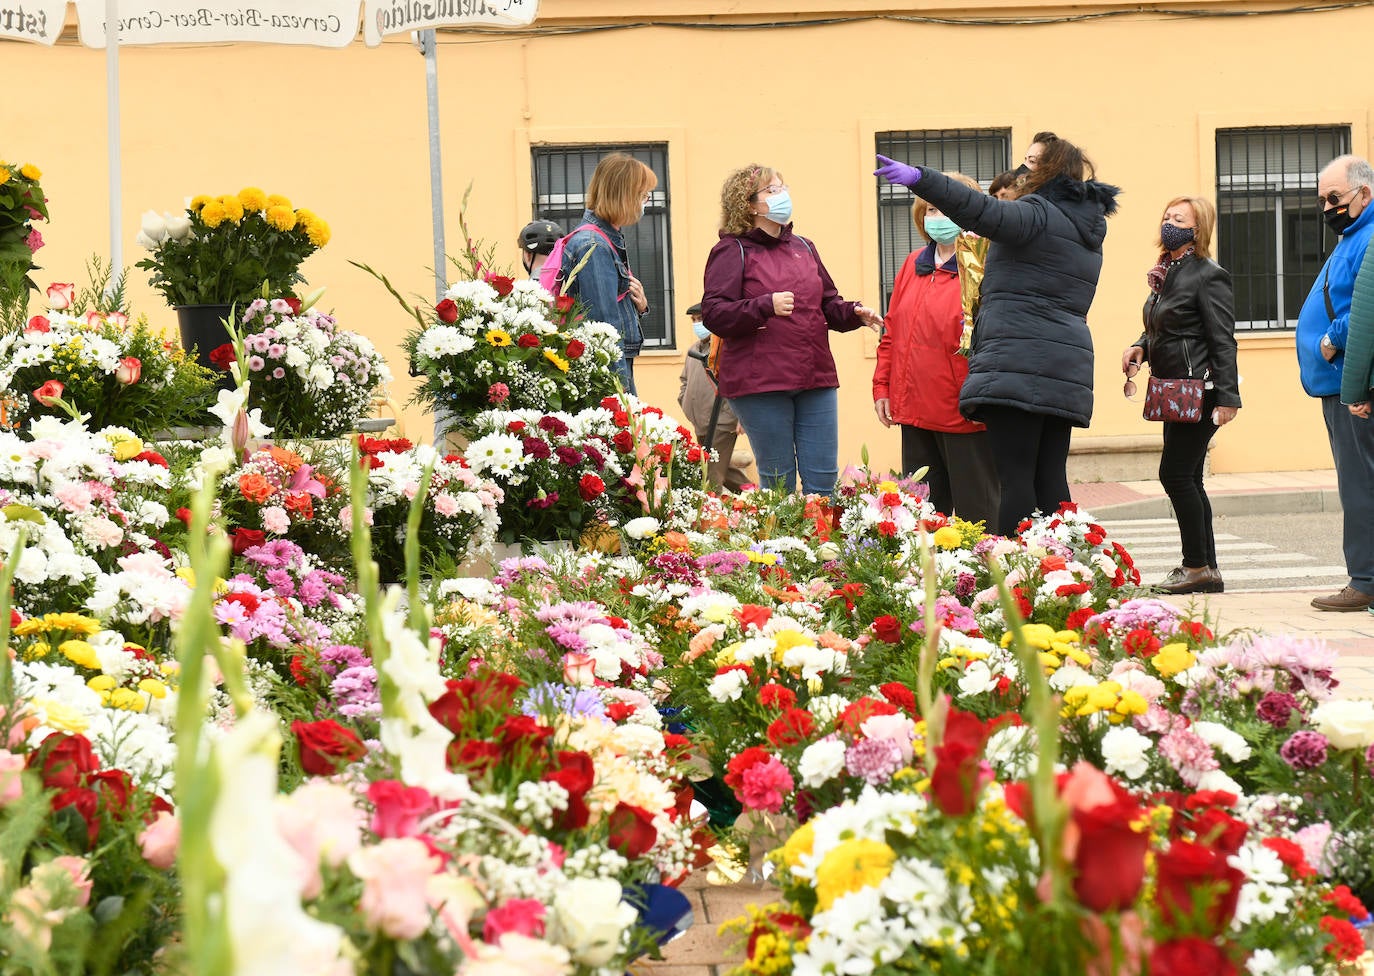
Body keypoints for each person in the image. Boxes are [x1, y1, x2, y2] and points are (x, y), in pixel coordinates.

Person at [875, 136, 1120, 536]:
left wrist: (922, 179)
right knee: (1050, 481)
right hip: (1063, 367)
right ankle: (1062, 569)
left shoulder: (1037, 213)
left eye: (1031, 163)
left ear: (1050, 170)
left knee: (1016, 480)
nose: (1022, 171)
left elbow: (981, 210)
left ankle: (1015, 575)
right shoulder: (1084, 227)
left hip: (1019, 363)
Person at [701, 164, 883, 495]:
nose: (782, 195)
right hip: (760, 383)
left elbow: (828, 304)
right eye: (772, 190)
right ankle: (783, 547)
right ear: (749, 204)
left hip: (814, 376)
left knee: (823, 480)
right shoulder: (732, 250)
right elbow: (714, 314)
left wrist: (854, 313)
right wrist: (763, 305)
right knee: (778, 483)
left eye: (783, 187)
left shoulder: (804, 247)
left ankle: (826, 547)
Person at [1121, 196, 1240, 595]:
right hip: (1174, 389)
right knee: (1188, 477)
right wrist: (1141, 346)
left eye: (1179, 219)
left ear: (1197, 229)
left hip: (1200, 391)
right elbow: (1164, 327)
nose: (1169, 222)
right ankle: (1207, 568)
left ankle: (1196, 566)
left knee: (1174, 475)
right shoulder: (1166, 271)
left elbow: (1222, 340)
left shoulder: (1208, 274)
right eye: (1167, 215)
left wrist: (1228, 397)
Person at [873, 172, 999, 526]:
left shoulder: (985, 267)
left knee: (978, 518)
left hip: (964, 413)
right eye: (930, 209)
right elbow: (892, 332)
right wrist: (883, 387)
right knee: (923, 519)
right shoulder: (913, 265)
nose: (936, 218)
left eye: (946, 209)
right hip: (914, 410)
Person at [1296, 154, 1374, 612]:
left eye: (1335, 198)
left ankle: (1364, 580)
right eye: (1322, 199)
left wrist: (1332, 336)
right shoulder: (1353, 234)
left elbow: (1366, 304)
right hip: (1338, 381)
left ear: (1364, 194)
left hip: (1351, 381)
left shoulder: (1366, 237)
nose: (1327, 207)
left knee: (1360, 483)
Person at [561, 153, 655, 394]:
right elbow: (604, 330)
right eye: (643, 195)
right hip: (610, 376)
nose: (646, 201)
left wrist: (640, 308)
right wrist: (620, 393)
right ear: (624, 196)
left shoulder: (601, 240)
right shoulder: (594, 245)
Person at [678, 302, 755, 492]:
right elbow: (685, 380)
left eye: (701, 319)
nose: (697, 324)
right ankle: (754, 495)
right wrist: (685, 402)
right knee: (722, 467)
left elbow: (742, 382)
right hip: (700, 422)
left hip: (722, 421)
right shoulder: (694, 349)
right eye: (694, 320)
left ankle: (712, 516)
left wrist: (741, 417)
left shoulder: (726, 347)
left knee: (711, 475)